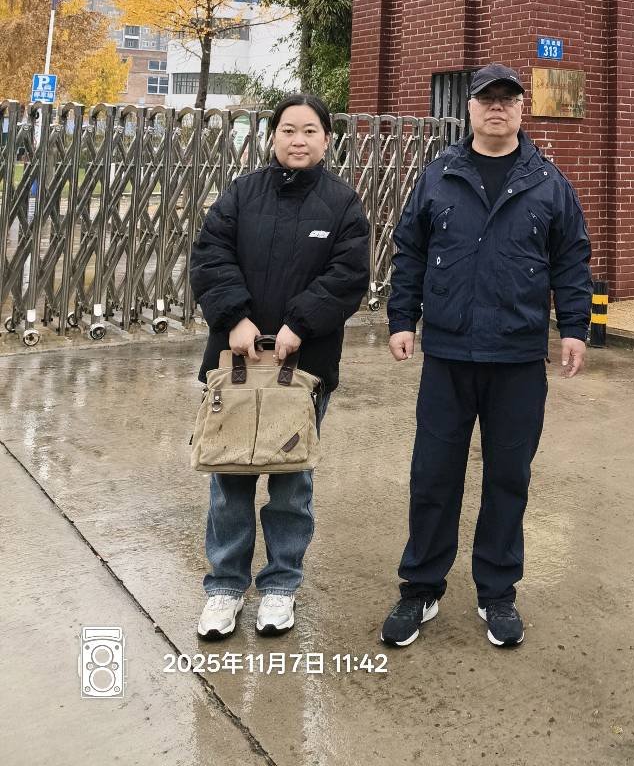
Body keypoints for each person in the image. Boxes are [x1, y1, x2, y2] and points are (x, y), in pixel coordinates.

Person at [379, 64, 591, 650]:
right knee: (433, 475)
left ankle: (497, 592)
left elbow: (572, 259)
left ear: (522, 109)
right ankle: (421, 587)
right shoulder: (439, 175)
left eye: (507, 99)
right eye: (486, 100)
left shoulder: (549, 183)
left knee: (508, 477)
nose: (497, 108)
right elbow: (409, 251)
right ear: (469, 109)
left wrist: (574, 328)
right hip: (449, 352)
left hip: (518, 356)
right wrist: (402, 318)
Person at [190, 92, 370, 641]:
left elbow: (348, 275)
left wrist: (298, 325)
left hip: (304, 368)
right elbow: (210, 254)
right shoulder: (242, 193)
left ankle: (280, 586)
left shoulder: (342, 204)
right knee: (230, 478)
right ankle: (224, 588)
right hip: (237, 364)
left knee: (292, 482)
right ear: (272, 137)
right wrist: (235, 318)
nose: (298, 140)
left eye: (310, 130)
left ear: (327, 140)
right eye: (288, 129)